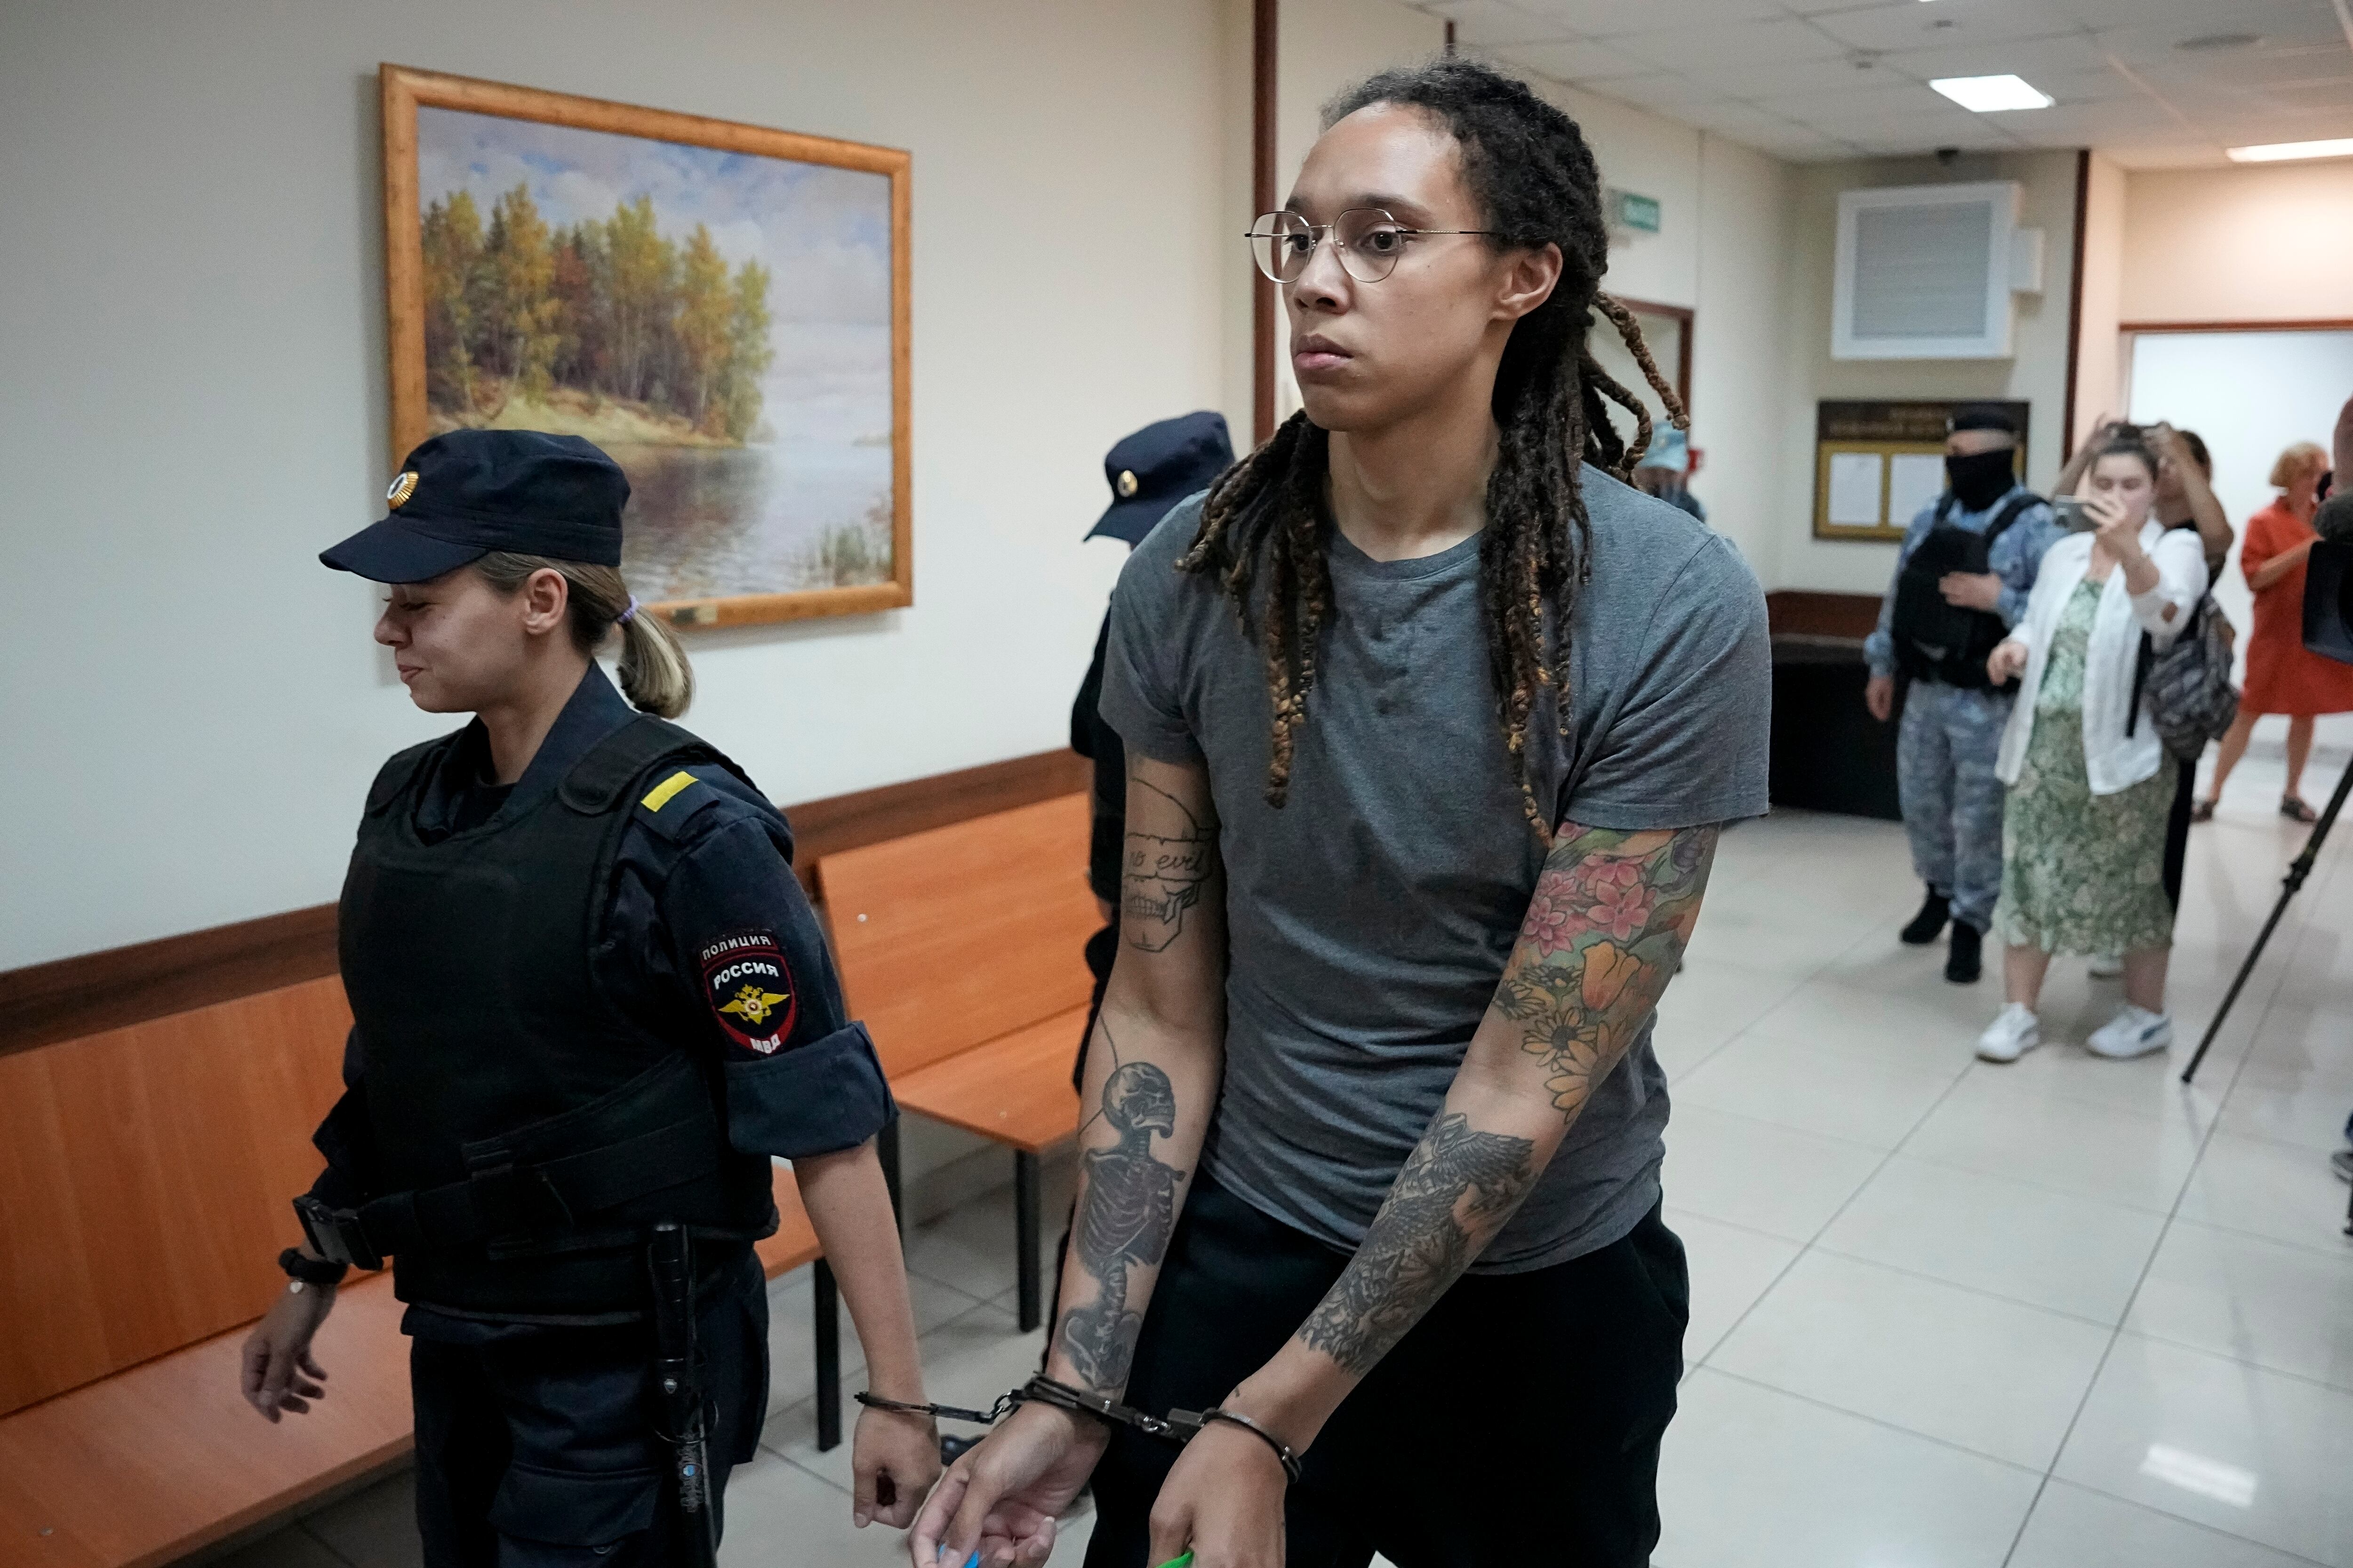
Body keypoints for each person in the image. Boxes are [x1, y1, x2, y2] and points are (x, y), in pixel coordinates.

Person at [912, 57, 1769, 1568]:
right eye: (1297, 236)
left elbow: (1528, 1069)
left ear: (1522, 277)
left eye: (1381, 238)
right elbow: (1159, 1005)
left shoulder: (1665, 602)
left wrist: (1272, 1418)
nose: (1314, 279)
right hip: (1245, 1238)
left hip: (1532, 1290)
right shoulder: (1191, 572)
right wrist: (1079, 1377)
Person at [237, 430, 940, 1563]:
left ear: (541, 601)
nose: (387, 630)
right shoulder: (414, 805)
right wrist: (315, 1266)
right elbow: (400, 1078)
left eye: (418, 602)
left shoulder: (692, 834)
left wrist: (898, 1398)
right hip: (459, 1329)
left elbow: (825, 1126)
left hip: (625, 1362)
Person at [1977, 432, 2209, 1063]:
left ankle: (2146, 1015)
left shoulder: (2176, 548)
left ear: (2154, 488)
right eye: (2103, 484)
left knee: (2129, 881)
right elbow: (2037, 621)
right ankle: (2018, 1011)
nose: (2114, 496)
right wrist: (2015, 646)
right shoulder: (2066, 552)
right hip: (2042, 748)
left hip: (2124, 756)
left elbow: (2166, 620)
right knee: (2029, 875)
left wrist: (2130, 550)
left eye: (2130, 485)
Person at [1864, 407, 2060, 984]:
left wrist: (1999, 598)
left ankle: (1971, 921)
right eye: (1951, 455)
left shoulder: (2036, 526)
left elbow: (2055, 614)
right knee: (1921, 802)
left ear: (2001, 457)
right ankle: (1937, 892)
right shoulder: (1932, 515)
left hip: (1988, 699)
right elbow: (1899, 593)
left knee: (1978, 817)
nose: (1957, 466)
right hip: (1925, 690)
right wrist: (1881, 665)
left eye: (1968, 456)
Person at [1072, 412, 1239, 1053]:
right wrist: (1108, 881)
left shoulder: (1271, 613)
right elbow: (1093, 745)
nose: (1146, 557)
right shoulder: (1131, 612)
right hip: (1146, 918)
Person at [2198, 441, 2353, 822]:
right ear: (2290, 476)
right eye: (2309, 473)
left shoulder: (2327, 519)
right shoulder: (2264, 522)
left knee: (2306, 713)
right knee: (2249, 711)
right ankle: (2213, 793)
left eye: (2321, 472)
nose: (2316, 480)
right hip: (2276, 636)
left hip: (2314, 632)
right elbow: (2256, 577)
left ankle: (2292, 793)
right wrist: (2306, 549)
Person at [1630, 425, 1704, 521]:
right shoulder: (1626, 504)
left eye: (1670, 473)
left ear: (1683, 472)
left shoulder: (1693, 511)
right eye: (1653, 472)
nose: (1661, 480)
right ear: (1636, 469)